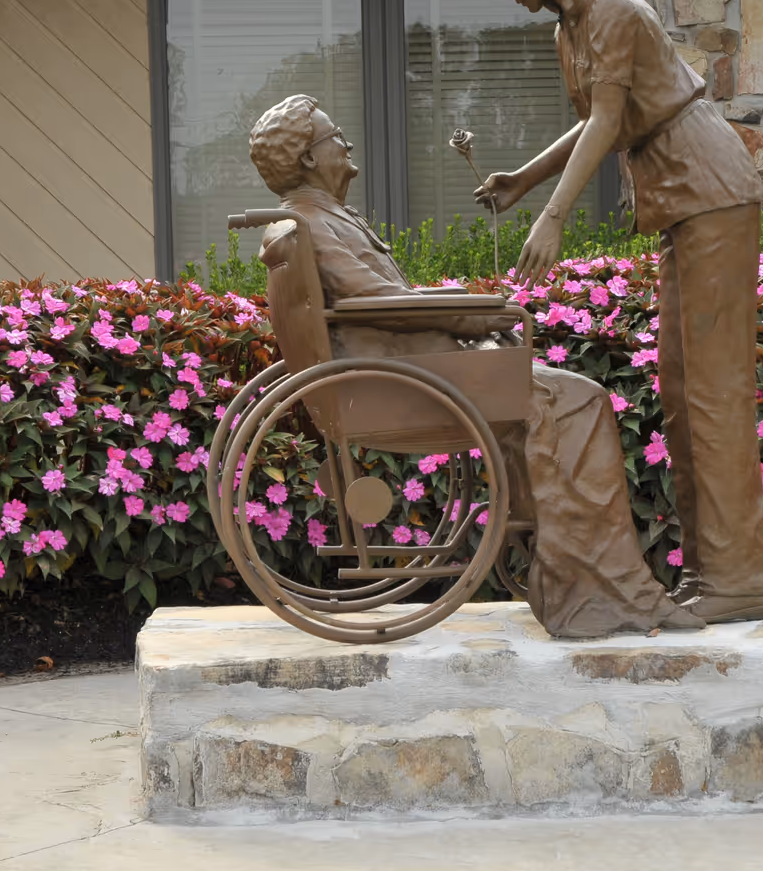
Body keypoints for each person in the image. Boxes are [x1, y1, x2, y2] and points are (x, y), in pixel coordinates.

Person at [246, 94, 702, 637]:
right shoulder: (311, 224)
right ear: (305, 160)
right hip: (402, 383)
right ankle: (594, 588)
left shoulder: (319, 221)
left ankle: (584, 575)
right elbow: (376, 300)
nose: (345, 143)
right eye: (333, 136)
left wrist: (463, 308)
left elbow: (379, 297)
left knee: (554, 394)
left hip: (404, 374)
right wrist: (468, 312)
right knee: (578, 398)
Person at [469, 0, 763, 625]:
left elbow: (611, 121)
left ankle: (737, 575)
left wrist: (554, 215)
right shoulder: (572, 26)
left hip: (711, 189)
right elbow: (593, 125)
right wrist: (524, 179)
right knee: (680, 389)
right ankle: (712, 573)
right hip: (680, 203)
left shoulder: (613, 9)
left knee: (713, 385)